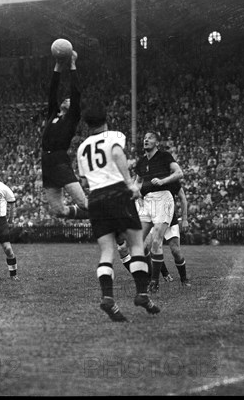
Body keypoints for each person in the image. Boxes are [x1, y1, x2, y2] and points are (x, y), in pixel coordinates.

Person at [77, 102, 160, 322]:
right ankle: (142, 293)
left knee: (107, 252)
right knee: (136, 246)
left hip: (95, 198)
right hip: (117, 194)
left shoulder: (81, 147)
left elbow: (84, 179)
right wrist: (129, 183)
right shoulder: (114, 135)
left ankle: (107, 297)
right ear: (106, 119)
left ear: (87, 124)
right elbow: (115, 153)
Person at [133, 131, 184, 293]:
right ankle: (149, 277)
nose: (146, 139)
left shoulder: (164, 156)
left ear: (157, 143)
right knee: (139, 244)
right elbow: (138, 181)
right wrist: (137, 194)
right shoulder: (141, 161)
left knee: (156, 240)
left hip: (163, 199)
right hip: (147, 201)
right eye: (145, 137)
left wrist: (163, 181)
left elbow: (179, 172)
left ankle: (154, 282)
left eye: (150, 138)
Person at [41, 46, 88, 220]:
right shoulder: (54, 114)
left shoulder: (72, 117)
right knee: (58, 210)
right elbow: (52, 91)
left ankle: (112, 217)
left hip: (60, 161)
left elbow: (76, 92)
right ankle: (95, 216)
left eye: (69, 100)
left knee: (83, 203)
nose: (66, 99)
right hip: (46, 162)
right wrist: (58, 67)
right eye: (65, 99)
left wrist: (73, 65)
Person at [144, 181, 191, 287]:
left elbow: (182, 197)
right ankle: (159, 276)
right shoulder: (147, 178)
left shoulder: (170, 178)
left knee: (176, 251)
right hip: (154, 219)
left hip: (169, 219)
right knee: (149, 246)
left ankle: (184, 279)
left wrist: (184, 219)